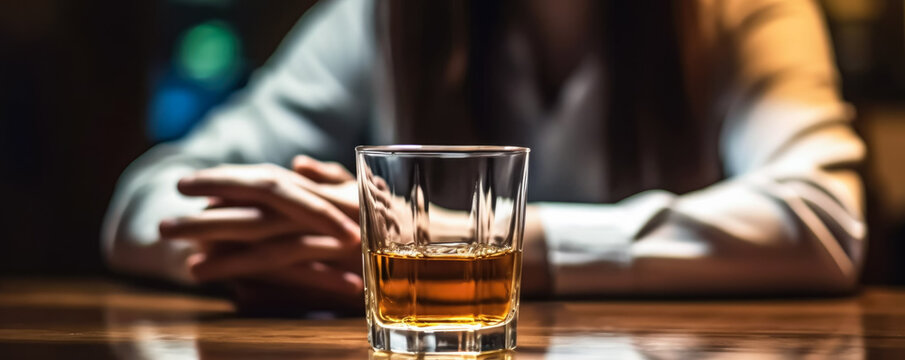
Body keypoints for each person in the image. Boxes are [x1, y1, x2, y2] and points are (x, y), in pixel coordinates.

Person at [103, 0, 866, 309]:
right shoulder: (382, 17)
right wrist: (274, 245)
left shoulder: (738, 11)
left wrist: (465, 251)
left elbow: (822, 219)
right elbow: (145, 200)